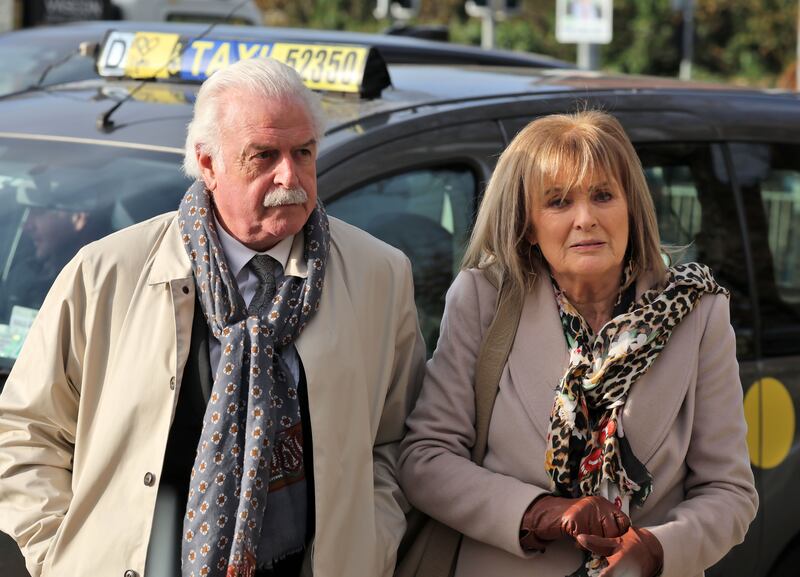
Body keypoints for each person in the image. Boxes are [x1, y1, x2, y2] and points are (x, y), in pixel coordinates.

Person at [0, 57, 425, 577]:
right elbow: (24, 430)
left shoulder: (379, 273)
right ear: (207, 164)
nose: (289, 176)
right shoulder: (107, 273)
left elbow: (397, 439)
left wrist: (370, 542)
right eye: (263, 156)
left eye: (303, 152)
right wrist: (59, 553)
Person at [398, 110, 758, 577]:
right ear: (527, 224)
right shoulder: (484, 299)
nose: (585, 218)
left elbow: (730, 492)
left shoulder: (697, 310)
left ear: (631, 207)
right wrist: (538, 513)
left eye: (603, 195)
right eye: (559, 202)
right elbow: (425, 459)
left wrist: (656, 551)